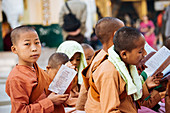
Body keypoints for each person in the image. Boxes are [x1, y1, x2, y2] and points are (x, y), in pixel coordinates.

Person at [84, 27, 161, 113]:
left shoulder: (127, 65)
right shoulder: (109, 72)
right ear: (124, 54)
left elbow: (130, 95)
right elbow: (110, 110)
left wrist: (146, 86)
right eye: (140, 51)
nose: (145, 54)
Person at [5, 26, 69, 113]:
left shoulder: (38, 70)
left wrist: (67, 73)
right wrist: (50, 102)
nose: (34, 48)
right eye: (27, 44)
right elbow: (20, 111)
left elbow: (53, 90)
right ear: (14, 49)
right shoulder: (16, 78)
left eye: (37, 42)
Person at [76, 17, 125, 111]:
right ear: (116, 35)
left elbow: (84, 90)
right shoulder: (108, 67)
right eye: (124, 33)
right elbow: (110, 109)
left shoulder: (100, 56)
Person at [56, 40, 87, 107]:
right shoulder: (56, 75)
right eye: (71, 59)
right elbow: (62, 98)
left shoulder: (79, 74)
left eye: (78, 59)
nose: (75, 62)